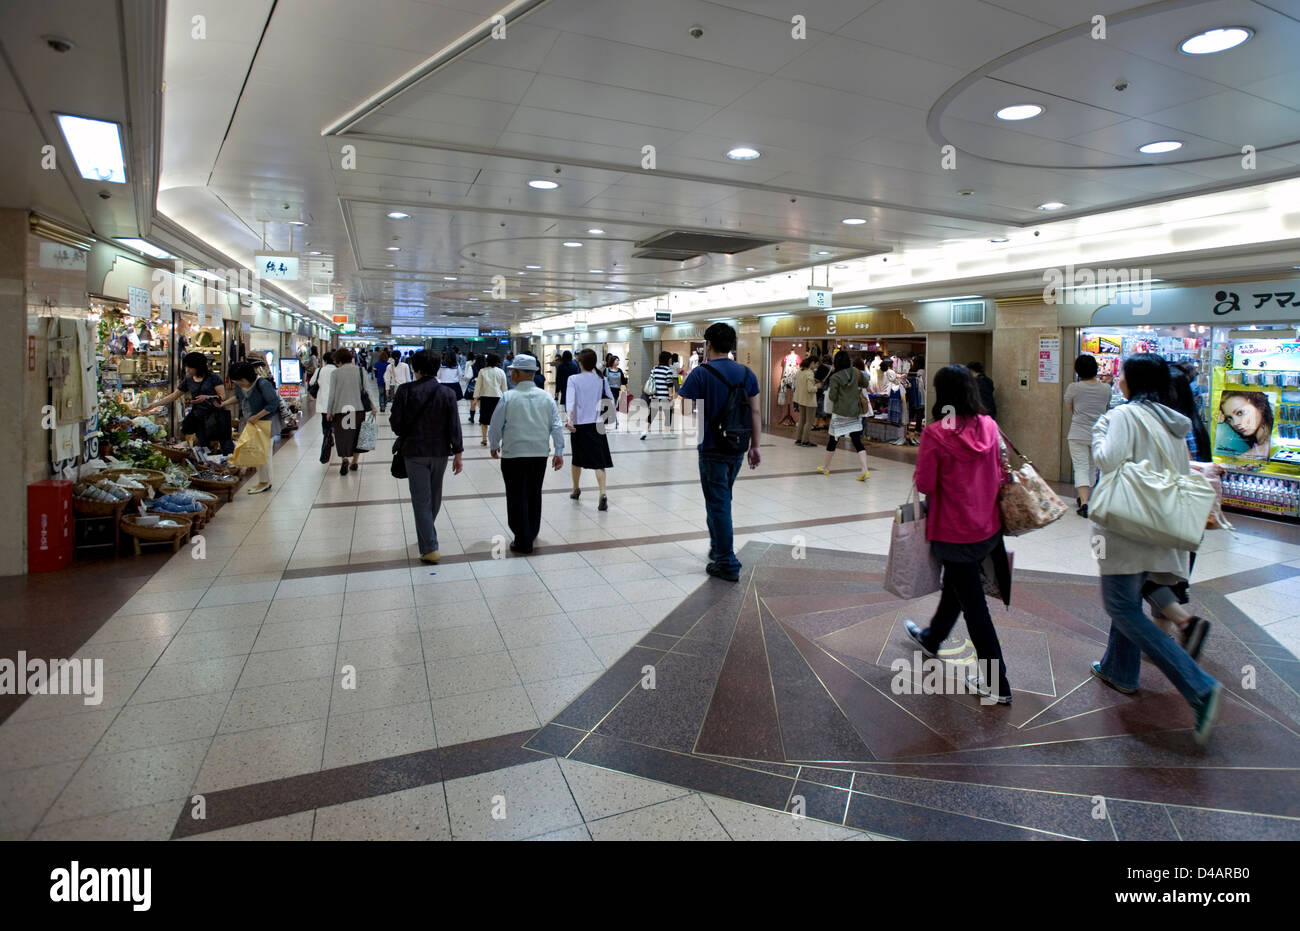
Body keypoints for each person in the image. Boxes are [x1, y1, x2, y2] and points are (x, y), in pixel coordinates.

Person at [1089, 353, 1221, 745]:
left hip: (1126, 524)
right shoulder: (1171, 421)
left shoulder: (1124, 416)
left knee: (1122, 607)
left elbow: (1107, 459)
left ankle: (1198, 686)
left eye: (1122, 374)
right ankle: (1119, 670)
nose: (1118, 380)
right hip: (1157, 523)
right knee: (1133, 597)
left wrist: (1099, 430)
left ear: (1132, 380)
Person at [904, 364, 1013, 705]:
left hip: (954, 531)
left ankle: (998, 684)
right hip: (988, 528)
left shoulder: (936, 433)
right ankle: (932, 638)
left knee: (974, 607)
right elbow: (1000, 474)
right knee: (959, 587)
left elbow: (924, 483)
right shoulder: (989, 425)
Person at [676, 323, 761, 582]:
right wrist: (755, 446)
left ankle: (727, 561)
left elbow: (685, 403)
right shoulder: (747, 374)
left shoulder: (701, 373)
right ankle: (717, 548)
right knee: (721, 498)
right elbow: (755, 412)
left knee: (719, 503)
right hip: (737, 446)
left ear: (708, 345)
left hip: (711, 446)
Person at [390, 350, 463, 564]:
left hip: (414, 452)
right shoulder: (447, 393)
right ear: (437, 367)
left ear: (415, 368)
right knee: (435, 494)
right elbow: (454, 426)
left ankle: (430, 547)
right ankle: (427, 530)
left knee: (421, 499)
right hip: (441, 452)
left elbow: (396, 424)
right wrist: (458, 453)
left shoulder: (405, 391)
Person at [488, 354, 565, 554]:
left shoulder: (508, 397)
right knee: (533, 494)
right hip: (539, 455)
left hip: (513, 455)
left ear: (516, 373)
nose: (511, 374)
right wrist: (559, 451)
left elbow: (496, 425)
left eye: (512, 371)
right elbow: (556, 425)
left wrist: (494, 444)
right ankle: (530, 532)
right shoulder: (546, 397)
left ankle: (522, 539)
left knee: (516, 496)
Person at [140, 351, 230, 452]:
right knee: (203, 445)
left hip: (215, 417)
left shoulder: (214, 378)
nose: (187, 370)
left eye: (190, 367)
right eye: (186, 367)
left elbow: (222, 397)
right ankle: (205, 464)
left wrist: (206, 397)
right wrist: (154, 405)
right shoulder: (189, 380)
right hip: (198, 417)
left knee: (220, 445)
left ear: (198, 367)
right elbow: (174, 395)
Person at [1064, 353, 1114, 517]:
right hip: (1099, 434)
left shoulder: (1074, 387)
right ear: (1096, 368)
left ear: (1078, 370)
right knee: (1093, 467)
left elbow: (1069, 407)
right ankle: (1086, 498)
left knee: (1080, 467)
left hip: (1077, 432)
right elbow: (1107, 407)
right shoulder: (1106, 388)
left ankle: (1083, 502)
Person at [566, 348, 615, 510]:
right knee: (599, 461)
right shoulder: (601, 379)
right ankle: (602, 493)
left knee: (577, 459)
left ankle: (576, 489)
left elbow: (570, 402)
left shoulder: (573, 379)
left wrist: (569, 419)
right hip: (597, 424)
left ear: (580, 362)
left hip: (579, 426)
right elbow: (611, 401)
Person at [221, 361, 280, 494]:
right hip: (251, 423)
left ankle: (265, 482)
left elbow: (273, 404)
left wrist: (257, 416)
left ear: (247, 377)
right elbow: (238, 397)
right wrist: (224, 403)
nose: (239, 384)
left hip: (265, 423)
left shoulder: (263, 384)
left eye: (240, 381)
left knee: (264, 453)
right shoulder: (239, 386)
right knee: (257, 452)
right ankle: (264, 481)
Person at [817, 351, 871, 481]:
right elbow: (865, 384)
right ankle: (865, 469)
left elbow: (833, 396)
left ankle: (826, 467)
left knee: (833, 440)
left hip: (840, 413)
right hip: (854, 412)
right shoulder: (856, 372)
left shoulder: (835, 377)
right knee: (857, 440)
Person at [322, 347, 372, 476]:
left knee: (343, 436)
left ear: (338, 361)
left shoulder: (335, 373)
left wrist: (329, 411)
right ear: (351, 359)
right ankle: (355, 462)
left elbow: (332, 394)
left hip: (341, 410)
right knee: (357, 436)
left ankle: (345, 459)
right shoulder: (361, 371)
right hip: (358, 409)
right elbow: (367, 389)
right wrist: (374, 406)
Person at [1217, 390, 1272, 459]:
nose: (1235, 423)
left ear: (1259, 406)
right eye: (1229, 418)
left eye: (1240, 413)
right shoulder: (1253, 442)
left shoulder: (1268, 446)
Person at [641, 351, 677, 439]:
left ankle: (645, 431)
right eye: (670, 358)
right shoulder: (668, 370)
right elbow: (669, 384)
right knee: (668, 414)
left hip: (655, 395)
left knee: (652, 414)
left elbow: (651, 380)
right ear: (667, 359)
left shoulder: (654, 368)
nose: (671, 360)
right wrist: (671, 396)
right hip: (664, 395)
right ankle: (667, 433)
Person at [474, 353, 507, 447]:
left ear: (487, 361)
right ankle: (495, 440)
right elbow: (504, 387)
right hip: (498, 398)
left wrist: (475, 398)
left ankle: (484, 439)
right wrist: (506, 399)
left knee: (484, 419)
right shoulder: (501, 372)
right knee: (497, 420)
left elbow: (478, 386)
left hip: (485, 398)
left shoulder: (482, 371)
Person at [310, 350, 338, 463]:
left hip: (323, 402)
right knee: (335, 421)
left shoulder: (319, 370)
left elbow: (312, 382)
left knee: (324, 422)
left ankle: (327, 436)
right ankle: (333, 433)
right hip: (336, 402)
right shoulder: (337, 371)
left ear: (325, 360)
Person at [793, 356, 818, 447]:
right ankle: (805, 441)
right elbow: (810, 389)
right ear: (812, 363)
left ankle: (798, 439)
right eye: (816, 364)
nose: (816, 366)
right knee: (809, 421)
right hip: (809, 400)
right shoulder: (809, 373)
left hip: (800, 399)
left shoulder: (799, 372)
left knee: (802, 420)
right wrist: (817, 387)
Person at [602, 355, 627, 431]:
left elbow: (623, 381)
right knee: (612, 405)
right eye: (616, 360)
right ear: (612, 361)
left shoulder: (619, 370)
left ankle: (613, 420)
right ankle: (615, 421)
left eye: (618, 360)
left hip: (616, 390)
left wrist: (627, 388)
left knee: (614, 405)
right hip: (608, 390)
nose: (618, 362)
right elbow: (603, 380)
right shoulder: (607, 370)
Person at [467, 351, 485, 424]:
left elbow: (468, 376)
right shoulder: (485, 368)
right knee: (481, 405)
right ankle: (481, 419)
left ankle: (472, 418)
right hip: (483, 388)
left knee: (473, 404)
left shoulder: (472, 367)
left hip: (472, 387)